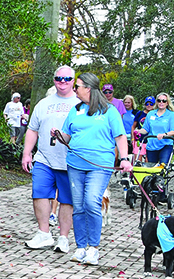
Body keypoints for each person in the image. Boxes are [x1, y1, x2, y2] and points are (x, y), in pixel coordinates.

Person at [52, 72, 132, 266]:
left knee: (91, 202)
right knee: (78, 206)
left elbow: (120, 136)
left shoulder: (109, 111)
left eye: (77, 86)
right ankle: (81, 247)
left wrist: (124, 158)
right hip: (75, 164)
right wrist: (58, 135)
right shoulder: (76, 110)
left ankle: (93, 248)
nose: (74, 90)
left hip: (100, 165)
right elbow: (67, 135)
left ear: (88, 88)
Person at [22, 66, 76, 253]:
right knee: (39, 194)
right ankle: (43, 233)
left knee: (66, 200)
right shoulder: (43, 104)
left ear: (73, 81)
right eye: (59, 78)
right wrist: (27, 153)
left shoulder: (80, 104)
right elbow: (32, 129)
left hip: (69, 161)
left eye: (67, 78)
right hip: (44, 158)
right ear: (54, 80)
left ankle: (63, 237)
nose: (63, 82)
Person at [139, 93, 174, 165]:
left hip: (165, 144)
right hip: (152, 145)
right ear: (156, 102)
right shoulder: (150, 114)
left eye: (164, 101)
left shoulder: (171, 115)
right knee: (151, 166)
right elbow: (145, 129)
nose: (161, 102)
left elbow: (173, 131)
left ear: (167, 103)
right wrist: (138, 131)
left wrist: (164, 135)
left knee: (163, 165)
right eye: (159, 100)